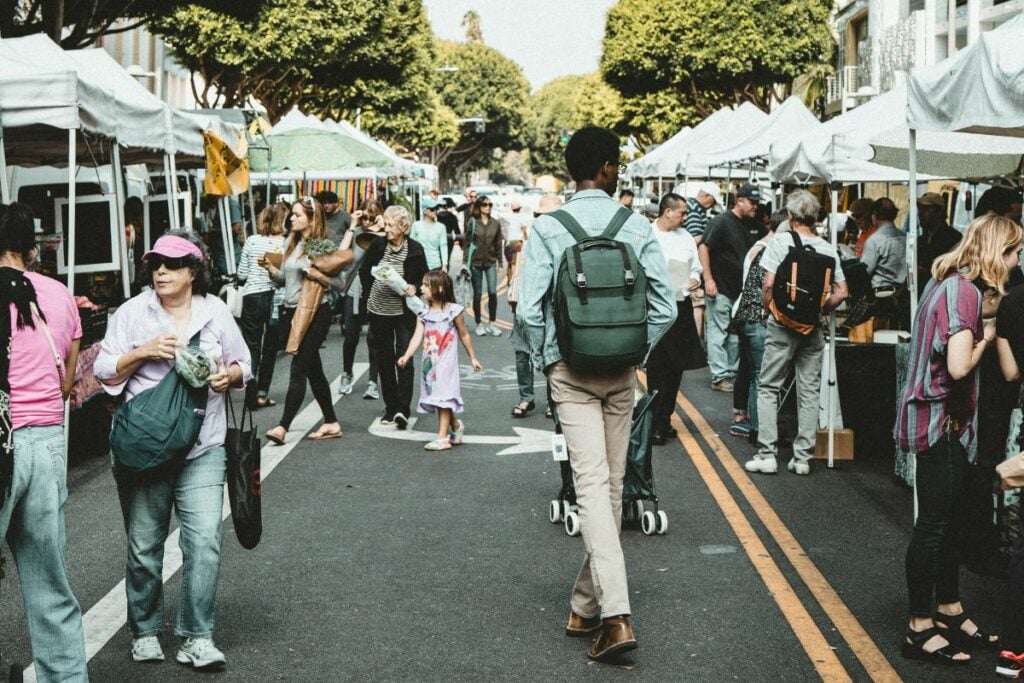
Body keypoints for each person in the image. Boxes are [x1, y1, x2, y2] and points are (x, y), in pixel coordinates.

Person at [518, 126, 675, 663]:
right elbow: (667, 306)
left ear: (570, 171)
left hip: (573, 372)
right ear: (607, 169)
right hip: (623, 373)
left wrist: (551, 359)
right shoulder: (636, 225)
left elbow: (527, 309)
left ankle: (613, 615)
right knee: (607, 489)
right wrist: (637, 350)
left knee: (593, 489)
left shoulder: (547, 229)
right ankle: (587, 606)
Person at [94, 230, 252, 670]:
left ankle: (197, 636)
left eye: (172, 264)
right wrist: (141, 353)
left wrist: (229, 376)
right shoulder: (133, 313)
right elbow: (104, 370)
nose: (161, 271)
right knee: (145, 546)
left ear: (193, 271)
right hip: (145, 447)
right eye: (156, 264)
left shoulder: (215, 312)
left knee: (204, 541)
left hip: (204, 445)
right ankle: (144, 630)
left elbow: (246, 364)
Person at [893, 213, 1020, 667]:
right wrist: (987, 335)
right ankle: (918, 626)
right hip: (940, 422)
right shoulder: (962, 291)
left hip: (946, 421)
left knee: (944, 522)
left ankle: (948, 609)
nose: (1016, 260)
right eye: (1013, 252)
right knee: (933, 525)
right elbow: (961, 365)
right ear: (996, 252)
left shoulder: (949, 282)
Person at [0, 203, 88, 681]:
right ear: (31, 248)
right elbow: (67, 381)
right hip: (48, 443)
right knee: (50, 586)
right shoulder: (59, 295)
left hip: (2, 439)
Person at [745, 190, 848, 477]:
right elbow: (842, 291)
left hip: (782, 324)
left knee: (768, 387)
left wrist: (771, 311)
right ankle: (802, 457)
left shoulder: (780, 241)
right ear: (815, 217)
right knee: (809, 390)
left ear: (790, 216)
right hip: (812, 327)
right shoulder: (828, 248)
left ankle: (767, 454)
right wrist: (819, 308)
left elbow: (767, 285)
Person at [261, 197, 342, 444]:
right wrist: (270, 270)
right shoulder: (291, 242)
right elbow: (285, 282)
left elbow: (339, 284)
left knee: (298, 368)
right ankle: (331, 421)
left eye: (297, 215)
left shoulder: (322, 247)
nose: (292, 218)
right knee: (313, 368)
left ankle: (283, 427)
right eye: (292, 215)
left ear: (311, 218)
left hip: (317, 313)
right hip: (291, 312)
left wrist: (317, 274)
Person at [360, 205, 428, 429]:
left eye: (390, 225)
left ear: (403, 227)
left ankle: (403, 409)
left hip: (403, 312)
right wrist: (371, 291)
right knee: (384, 359)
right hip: (379, 310)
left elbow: (423, 277)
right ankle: (390, 407)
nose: (386, 229)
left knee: (404, 358)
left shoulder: (415, 249)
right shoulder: (378, 245)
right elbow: (364, 270)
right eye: (385, 224)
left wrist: (413, 286)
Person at [398, 270, 483, 450]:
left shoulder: (454, 311)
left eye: (425, 285)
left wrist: (473, 358)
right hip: (430, 364)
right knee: (439, 398)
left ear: (439, 288)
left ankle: (442, 438)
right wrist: (407, 355)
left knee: (443, 396)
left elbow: (464, 335)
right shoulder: (423, 312)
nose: (421, 288)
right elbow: (417, 336)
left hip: (446, 363)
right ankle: (456, 426)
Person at [647, 193, 705, 445]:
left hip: (680, 306)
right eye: (682, 212)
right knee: (657, 367)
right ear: (667, 211)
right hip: (655, 308)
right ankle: (654, 420)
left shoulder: (686, 239)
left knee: (676, 367)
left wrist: (695, 278)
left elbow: (696, 266)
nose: (685, 217)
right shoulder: (648, 236)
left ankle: (664, 417)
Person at [699, 182, 763, 392]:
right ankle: (719, 375)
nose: (756, 206)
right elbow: (703, 248)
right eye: (752, 202)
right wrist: (708, 279)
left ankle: (732, 373)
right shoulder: (721, 221)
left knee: (736, 334)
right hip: (721, 287)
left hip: (742, 290)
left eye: (757, 202)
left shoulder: (755, 223)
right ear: (740, 201)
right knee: (719, 332)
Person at [729, 209, 784, 440]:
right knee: (760, 375)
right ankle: (758, 428)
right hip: (755, 316)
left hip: (745, 315)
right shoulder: (769, 250)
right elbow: (766, 288)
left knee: (753, 372)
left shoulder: (763, 247)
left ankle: (750, 421)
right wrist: (765, 311)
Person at [508, 194, 562, 418]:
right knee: (522, 353)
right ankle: (526, 398)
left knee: (553, 353)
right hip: (526, 301)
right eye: (541, 216)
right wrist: (514, 295)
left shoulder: (564, 242)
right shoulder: (529, 242)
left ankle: (553, 400)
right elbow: (519, 271)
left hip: (552, 305)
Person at [236, 203, 287, 409]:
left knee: (252, 345)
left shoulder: (252, 241)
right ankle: (262, 393)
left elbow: (242, 274)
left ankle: (250, 385)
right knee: (271, 347)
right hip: (276, 298)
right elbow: (286, 277)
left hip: (252, 297)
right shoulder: (287, 243)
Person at [337, 200, 383, 400]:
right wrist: (353, 224)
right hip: (355, 288)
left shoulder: (384, 236)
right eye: (364, 216)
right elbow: (343, 253)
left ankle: (373, 381)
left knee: (375, 338)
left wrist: (383, 228)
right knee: (350, 336)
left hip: (376, 289)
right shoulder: (356, 233)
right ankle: (347, 373)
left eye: (372, 217)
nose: (367, 221)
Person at [862, 197, 908, 329]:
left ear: (874, 215)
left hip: (881, 297)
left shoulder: (874, 240)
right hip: (902, 294)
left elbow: (865, 271)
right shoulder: (905, 238)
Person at [684, 182, 722, 339]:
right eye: (712, 201)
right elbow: (694, 239)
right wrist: (711, 234)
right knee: (697, 304)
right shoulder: (694, 210)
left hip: (688, 265)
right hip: (692, 265)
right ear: (706, 196)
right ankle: (695, 343)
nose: (711, 206)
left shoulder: (693, 207)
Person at [465, 196, 504, 336]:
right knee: (478, 294)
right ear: (479, 207)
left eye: (490, 204)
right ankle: (479, 323)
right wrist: (465, 263)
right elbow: (467, 243)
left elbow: (499, 244)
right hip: (475, 262)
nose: (488, 207)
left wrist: (500, 263)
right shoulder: (473, 222)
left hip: (490, 262)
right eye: (485, 205)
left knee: (493, 293)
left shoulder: (495, 223)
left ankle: (492, 323)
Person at [917, 192, 961, 294]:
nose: (920, 213)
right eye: (920, 209)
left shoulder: (953, 238)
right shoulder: (921, 240)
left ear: (938, 212)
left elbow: (955, 271)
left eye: (926, 209)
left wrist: (926, 272)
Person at [410, 198, 448, 271]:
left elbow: (443, 246)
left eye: (436, 209)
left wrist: (444, 265)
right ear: (425, 211)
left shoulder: (441, 227)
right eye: (432, 209)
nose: (435, 211)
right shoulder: (416, 225)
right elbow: (411, 246)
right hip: (419, 265)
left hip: (436, 265)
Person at [503, 201, 527, 285]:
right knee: (516, 262)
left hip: (508, 241)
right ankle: (514, 280)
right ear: (519, 208)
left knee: (510, 262)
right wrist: (526, 238)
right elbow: (524, 230)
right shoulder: (521, 217)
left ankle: (509, 278)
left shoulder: (507, 217)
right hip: (518, 241)